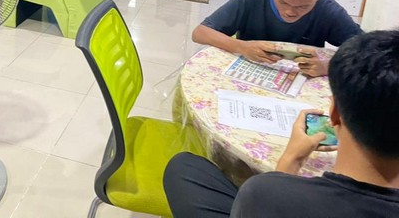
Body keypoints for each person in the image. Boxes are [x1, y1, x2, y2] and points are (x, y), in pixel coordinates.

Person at [163, 30, 399, 217]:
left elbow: (271, 196)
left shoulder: (270, 195)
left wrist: (290, 159)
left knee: (184, 169)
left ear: (335, 114)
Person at [192, 0, 361, 77]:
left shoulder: (328, 10)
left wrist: (330, 66)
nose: (290, 12)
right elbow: (200, 32)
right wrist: (242, 47)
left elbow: (369, 52)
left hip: (302, 82)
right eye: (283, 2)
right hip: (250, 75)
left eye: (302, 7)